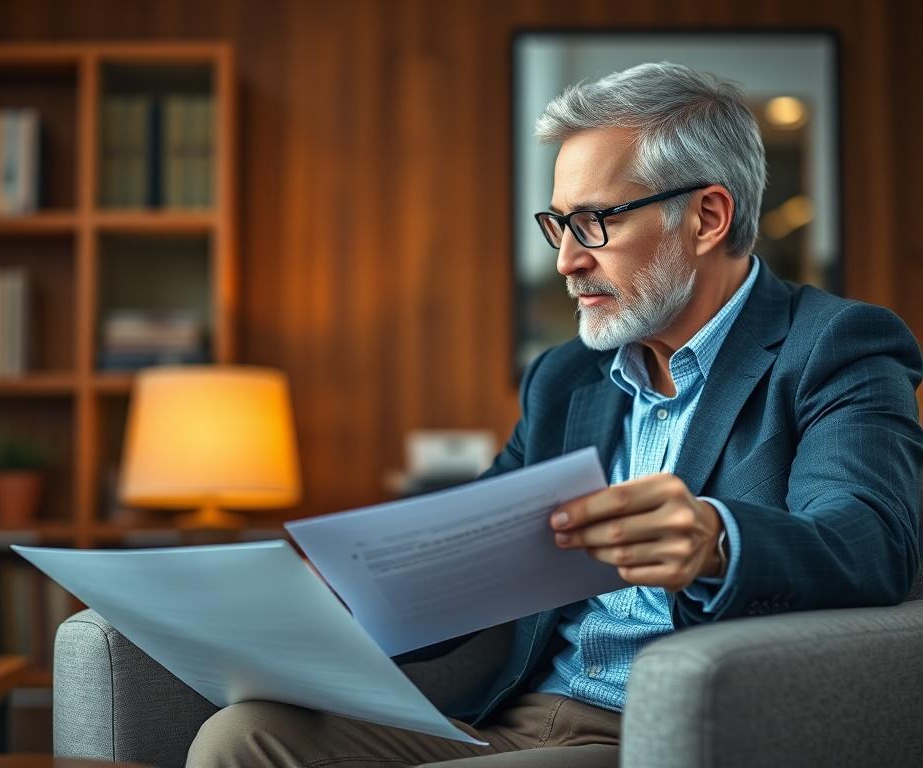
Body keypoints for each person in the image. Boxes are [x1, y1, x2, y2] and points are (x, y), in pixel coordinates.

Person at [186, 61, 923, 768]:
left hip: (666, 729)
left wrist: (715, 540)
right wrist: (344, 598)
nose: (568, 260)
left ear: (706, 216)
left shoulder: (834, 347)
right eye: (559, 225)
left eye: (595, 222)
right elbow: (478, 542)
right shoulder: (566, 377)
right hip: (525, 710)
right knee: (240, 739)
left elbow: (872, 542)